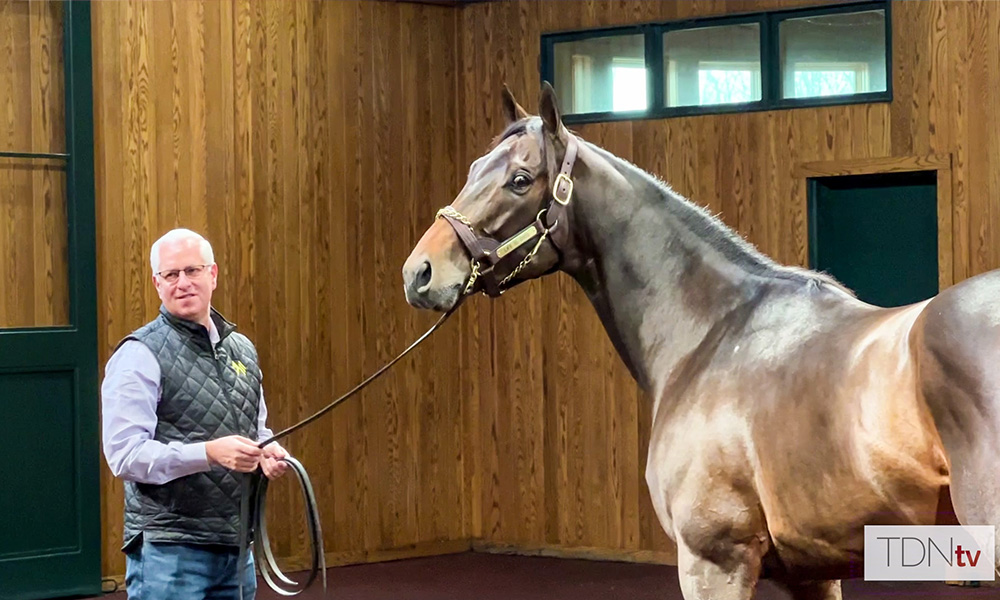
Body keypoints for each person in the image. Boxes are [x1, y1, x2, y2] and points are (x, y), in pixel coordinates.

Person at [101, 228, 289, 599]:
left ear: (213, 275)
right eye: (171, 275)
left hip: (236, 547)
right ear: (157, 283)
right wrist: (207, 453)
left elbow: (257, 428)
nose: (183, 283)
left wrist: (268, 451)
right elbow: (125, 456)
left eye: (192, 270)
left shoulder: (243, 351)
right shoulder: (139, 354)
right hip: (170, 550)